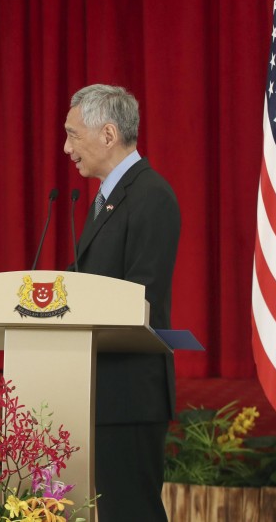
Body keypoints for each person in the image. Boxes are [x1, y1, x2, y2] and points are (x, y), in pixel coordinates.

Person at [63, 84, 180, 521]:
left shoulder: (151, 196)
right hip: (101, 388)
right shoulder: (108, 199)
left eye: (73, 135)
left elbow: (140, 298)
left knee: (132, 513)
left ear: (108, 134)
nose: (67, 148)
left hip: (129, 393)